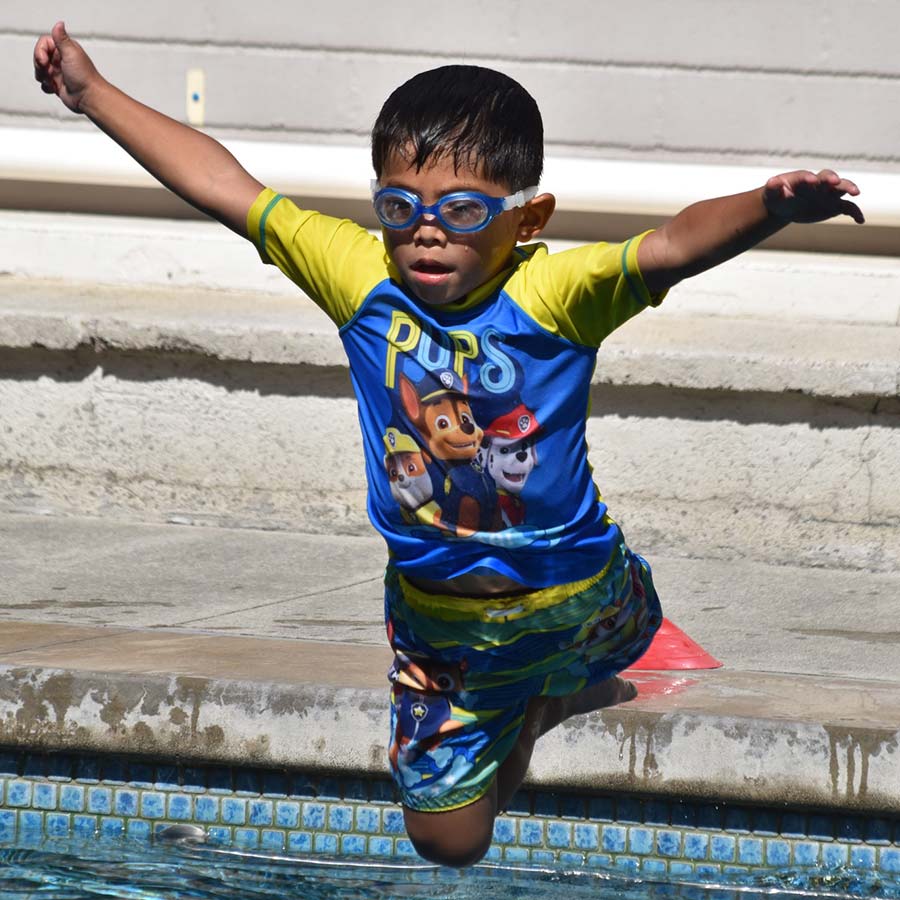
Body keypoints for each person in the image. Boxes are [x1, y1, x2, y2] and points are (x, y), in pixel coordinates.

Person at [34, 21, 863, 868]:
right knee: (449, 841)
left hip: (580, 593)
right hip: (440, 627)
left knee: (581, 671)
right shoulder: (361, 280)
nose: (425, 232)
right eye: (400, 208)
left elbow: (674, 244)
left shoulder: (558, 294)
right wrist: (90, 92)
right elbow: (223, 185)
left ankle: (552, 691)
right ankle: (539, 708)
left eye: (461, 211)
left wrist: (771, 207)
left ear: (527, 218)